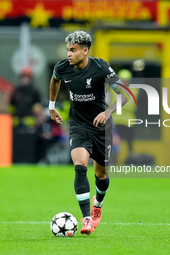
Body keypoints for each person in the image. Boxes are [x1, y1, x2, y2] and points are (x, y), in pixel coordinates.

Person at [49, 31, 128, 235]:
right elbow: (55, 80)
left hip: (101, 127)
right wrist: (51, 106)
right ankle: (86, 220)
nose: (69, 54)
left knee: (101, 175)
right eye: (68, 50)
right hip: (78, 125)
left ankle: (98, 204)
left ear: (85, 51)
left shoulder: (100, 66)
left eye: (73, 50)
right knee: (79, 165)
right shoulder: (62, 67)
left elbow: (125, 94)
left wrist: (107, 111)